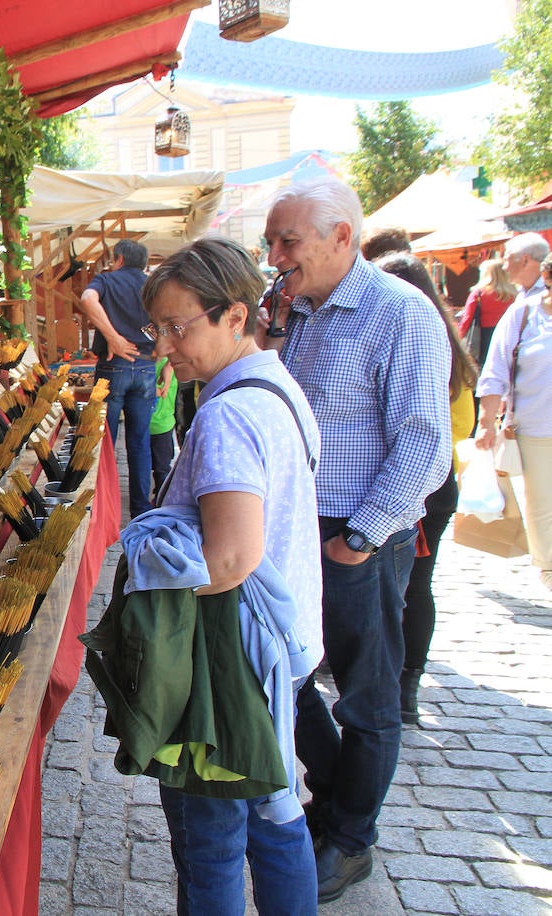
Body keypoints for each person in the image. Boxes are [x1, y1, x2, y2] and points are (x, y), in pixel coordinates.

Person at [262, 177, 451, 904]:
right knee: (293, 674)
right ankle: (338, 806)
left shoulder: (400, 313)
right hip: (301, 531)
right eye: (273, 240)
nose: (275, 254)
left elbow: (425, 445)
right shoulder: (301, 313)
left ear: (342, 236)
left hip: (357, 534)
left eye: (288, 241)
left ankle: (350, 838)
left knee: (366, 699)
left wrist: (361, 539)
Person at [140, 237, 323, 914]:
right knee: (277, 814)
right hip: (274, 647)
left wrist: (148, 572)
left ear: (236, 317)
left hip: (226, 666)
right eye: (155, 328)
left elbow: (228, 559)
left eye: (178, 327)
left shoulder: (225, 415)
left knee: (210, 838)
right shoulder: (276, 386)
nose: (164, 346)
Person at [372, 252, 479, 725]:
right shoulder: (449, 348)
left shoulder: (414, 339)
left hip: (415, 487)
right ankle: (405, 684)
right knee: (416, 586)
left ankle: (396, 681)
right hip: (437, 486)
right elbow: (462, 421)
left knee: (399, 589)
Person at [475, 251, 552, 592]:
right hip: (537, 429)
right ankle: (549, 571)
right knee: (542, 506)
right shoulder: (524, 314)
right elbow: (495, 370)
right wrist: (486, 421)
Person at [77, 239, 156, 517]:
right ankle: (140, 510)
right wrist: (153, 345)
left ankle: (104, 509)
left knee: (105, 442)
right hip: (146, 366)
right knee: (139, 441)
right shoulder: (153, 284)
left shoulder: (107, 280)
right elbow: (172, 322)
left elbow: (87, 299)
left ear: (119, 259)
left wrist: (114, 338)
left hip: (113, 367)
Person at [459, 258, 518, 370]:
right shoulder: (516, 295)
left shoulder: (479, 294)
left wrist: (457, 339)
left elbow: (467, 320)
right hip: (510, 336)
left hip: (484, 339)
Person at [150, 357, 178, 494]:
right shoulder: (146, 363)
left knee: (162, 468)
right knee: (158, 466)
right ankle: (160, 493)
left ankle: (162, 496)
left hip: (161, 425)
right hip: (149, 424)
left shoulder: (170, 365)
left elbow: (161, 391)